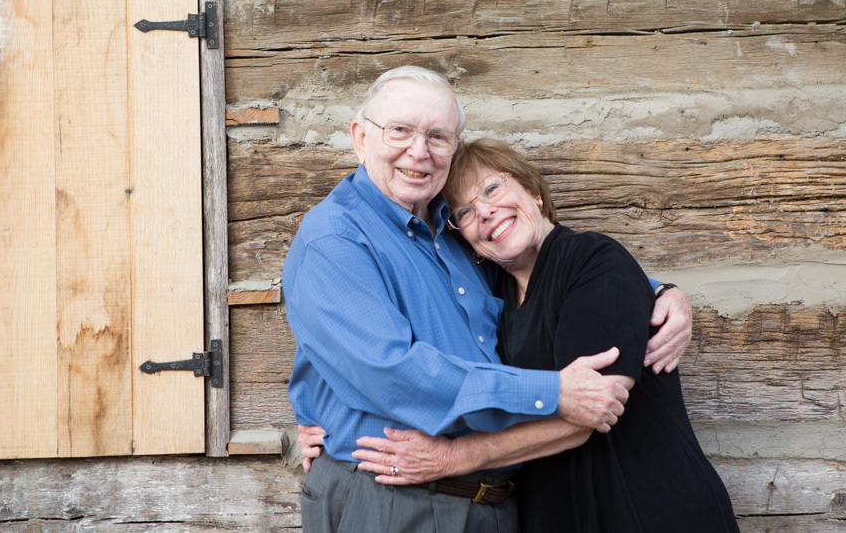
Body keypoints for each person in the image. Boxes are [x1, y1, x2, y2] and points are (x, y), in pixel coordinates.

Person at [286, 66, 693, 532]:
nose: (419, 151)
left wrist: (657, 292)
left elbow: (558, 277)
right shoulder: (335, 238)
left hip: (495, 504)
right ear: (361, 137)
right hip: (396, 495)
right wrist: (554, 392)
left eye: (437, 137)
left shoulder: (454, 236)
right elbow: (393, 372)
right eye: (400, 130)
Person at [351, 139, 738, 532]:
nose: (484, 211)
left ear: (533, 191)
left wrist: (451, 458)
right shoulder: (493, 297)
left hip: (650, 511)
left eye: (492, 188)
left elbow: (591, 410)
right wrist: (319, 415)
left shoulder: (593, 259)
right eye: (464, 212)